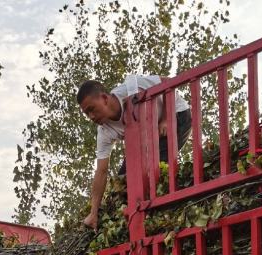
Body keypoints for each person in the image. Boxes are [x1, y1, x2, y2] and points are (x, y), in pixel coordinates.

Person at [77, 74, 192, 228]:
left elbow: (166, 82)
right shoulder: (104, 131)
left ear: (104, 98)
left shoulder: (132, 87)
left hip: (177, 115)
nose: (91, 116)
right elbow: (102, 171)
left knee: (153, 173)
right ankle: (129, 222)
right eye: (86, 114)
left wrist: (166, 118)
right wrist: (93, 212)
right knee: (121, 182)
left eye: (92, 109)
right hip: (149, 135)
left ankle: (159, 216)